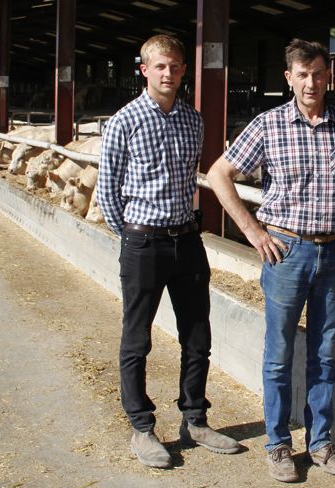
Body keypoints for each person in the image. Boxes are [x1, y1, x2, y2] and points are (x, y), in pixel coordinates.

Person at [206, 38, 335, 483]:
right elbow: (219, 174)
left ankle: (320, 443)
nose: (311, 82)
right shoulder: (269, 124)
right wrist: (253, 231)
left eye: (318, 73)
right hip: (285, 251)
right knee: (278, 352)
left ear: (328, 74)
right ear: (289, 78)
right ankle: (278, 444)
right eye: (302, 74)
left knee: (323, 351)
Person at [95, 34, 241, 469]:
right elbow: (107, 191)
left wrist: (179, 231)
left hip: (187, 240)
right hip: (144, 242)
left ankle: (194, 419)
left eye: (175, 66)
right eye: (160, 66)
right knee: (136, 338)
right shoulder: (123, 121)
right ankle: (142, 427)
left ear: (183, 72)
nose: (168, 73)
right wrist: (134, 236)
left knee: (198, 335)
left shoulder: (192, 121)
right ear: (144, 69)